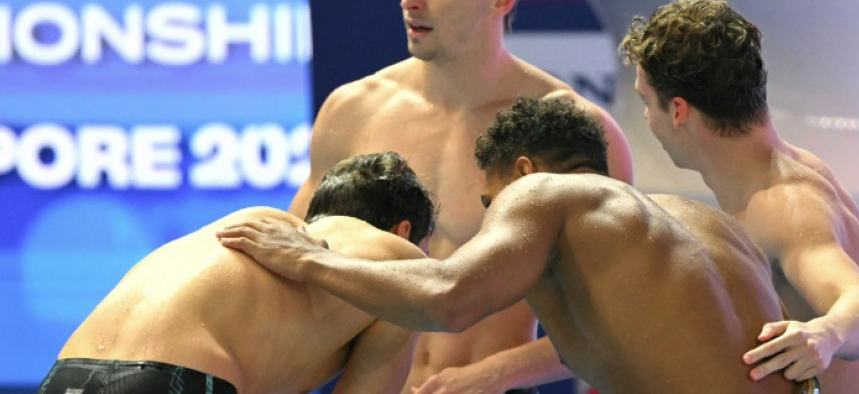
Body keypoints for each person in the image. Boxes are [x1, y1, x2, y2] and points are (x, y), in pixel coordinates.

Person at [219, 96, 819, 394]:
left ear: (525, 172)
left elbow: (447, 297)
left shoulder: (543, 195)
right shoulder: (701, 224)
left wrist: (305, 258)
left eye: (493, 204)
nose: (496, 222)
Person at [289, 0, 634, 393]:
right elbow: (299, 268)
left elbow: (617, 316)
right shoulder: (353, 110)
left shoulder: (570, 130)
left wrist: (489, 376)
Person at [618, 0, 859, 392]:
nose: (645, 118)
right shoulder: (784, 173)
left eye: (646, 102)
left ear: (678, 110)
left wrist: (825, 334)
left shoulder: (784, 205)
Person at [38, 151, 435, 394]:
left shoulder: (254, 224)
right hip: (173, 378)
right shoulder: (401, 261)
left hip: (66, 372)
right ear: (404, 230)